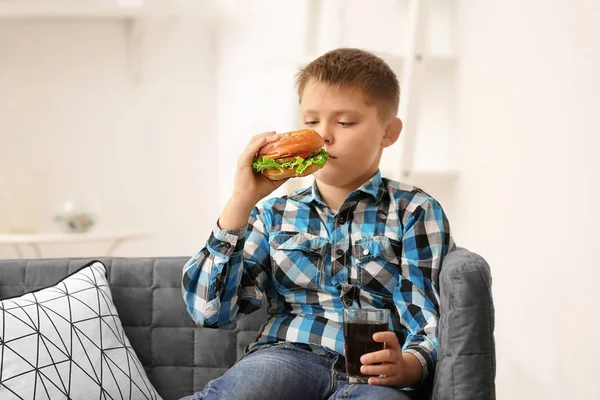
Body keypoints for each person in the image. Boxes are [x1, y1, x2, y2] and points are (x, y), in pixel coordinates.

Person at [181, 48, 455, 400]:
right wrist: (241, 200)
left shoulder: (414, 210)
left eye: (345, 122)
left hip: (372, 375)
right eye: (311, 121)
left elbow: (428, 314)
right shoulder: (272, 213)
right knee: (250, 388)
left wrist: (411, 365)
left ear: (388, 132)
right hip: (287, 356)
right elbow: (209, 313)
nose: (324, 135)